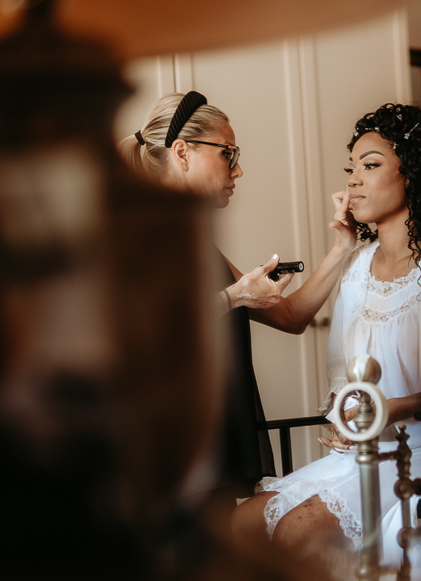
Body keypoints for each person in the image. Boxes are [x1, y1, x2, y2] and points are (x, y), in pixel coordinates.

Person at [232, 103, 421, 558]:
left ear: (413, 174)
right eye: (351, 168)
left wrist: (386, 413)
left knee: (296, 534)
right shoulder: (357, 265)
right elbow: (347, 376)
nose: (352, 181)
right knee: (239, 525)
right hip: (361, 454)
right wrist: (347, 418)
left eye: (371, 165)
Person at [118, 91, 357, 497]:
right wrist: (235, 296)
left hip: (220, 431)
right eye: (228, 153)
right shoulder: (137, 233)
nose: (239, 169)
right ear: (182, 152)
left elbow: (290, 317)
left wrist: (343, 249)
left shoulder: (197, 244)